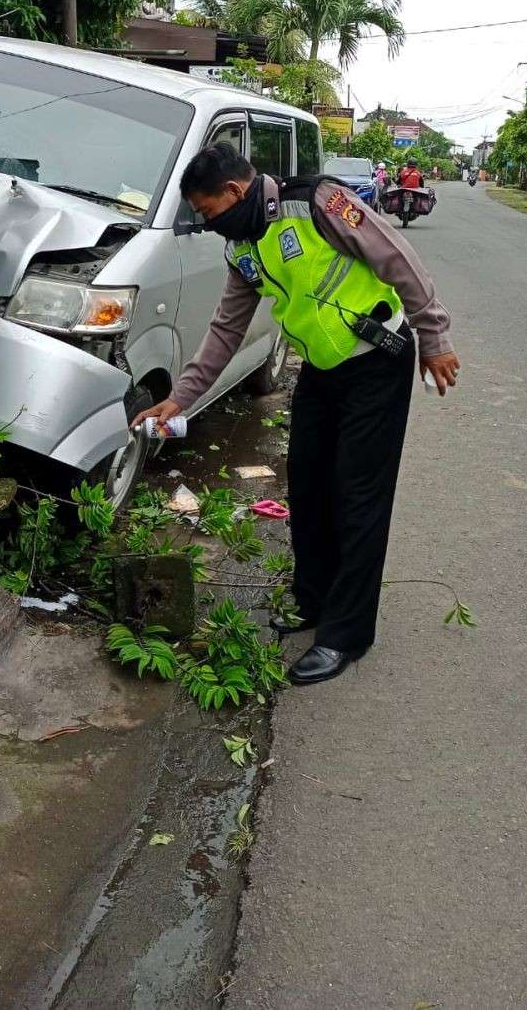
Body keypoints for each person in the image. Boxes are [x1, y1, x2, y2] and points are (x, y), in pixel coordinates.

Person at [133, 144, 460, 687]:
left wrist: (434, 336)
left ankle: (345, 634)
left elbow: (398, 259)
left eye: (209, 212)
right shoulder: (243, 246)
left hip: (377, 360)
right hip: (320, 370)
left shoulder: (318, 204)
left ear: (235, 193)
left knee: (358, 497)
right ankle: (313, 603)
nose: (209, 225)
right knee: (307, 486)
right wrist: (181, 397)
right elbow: (226, 329)